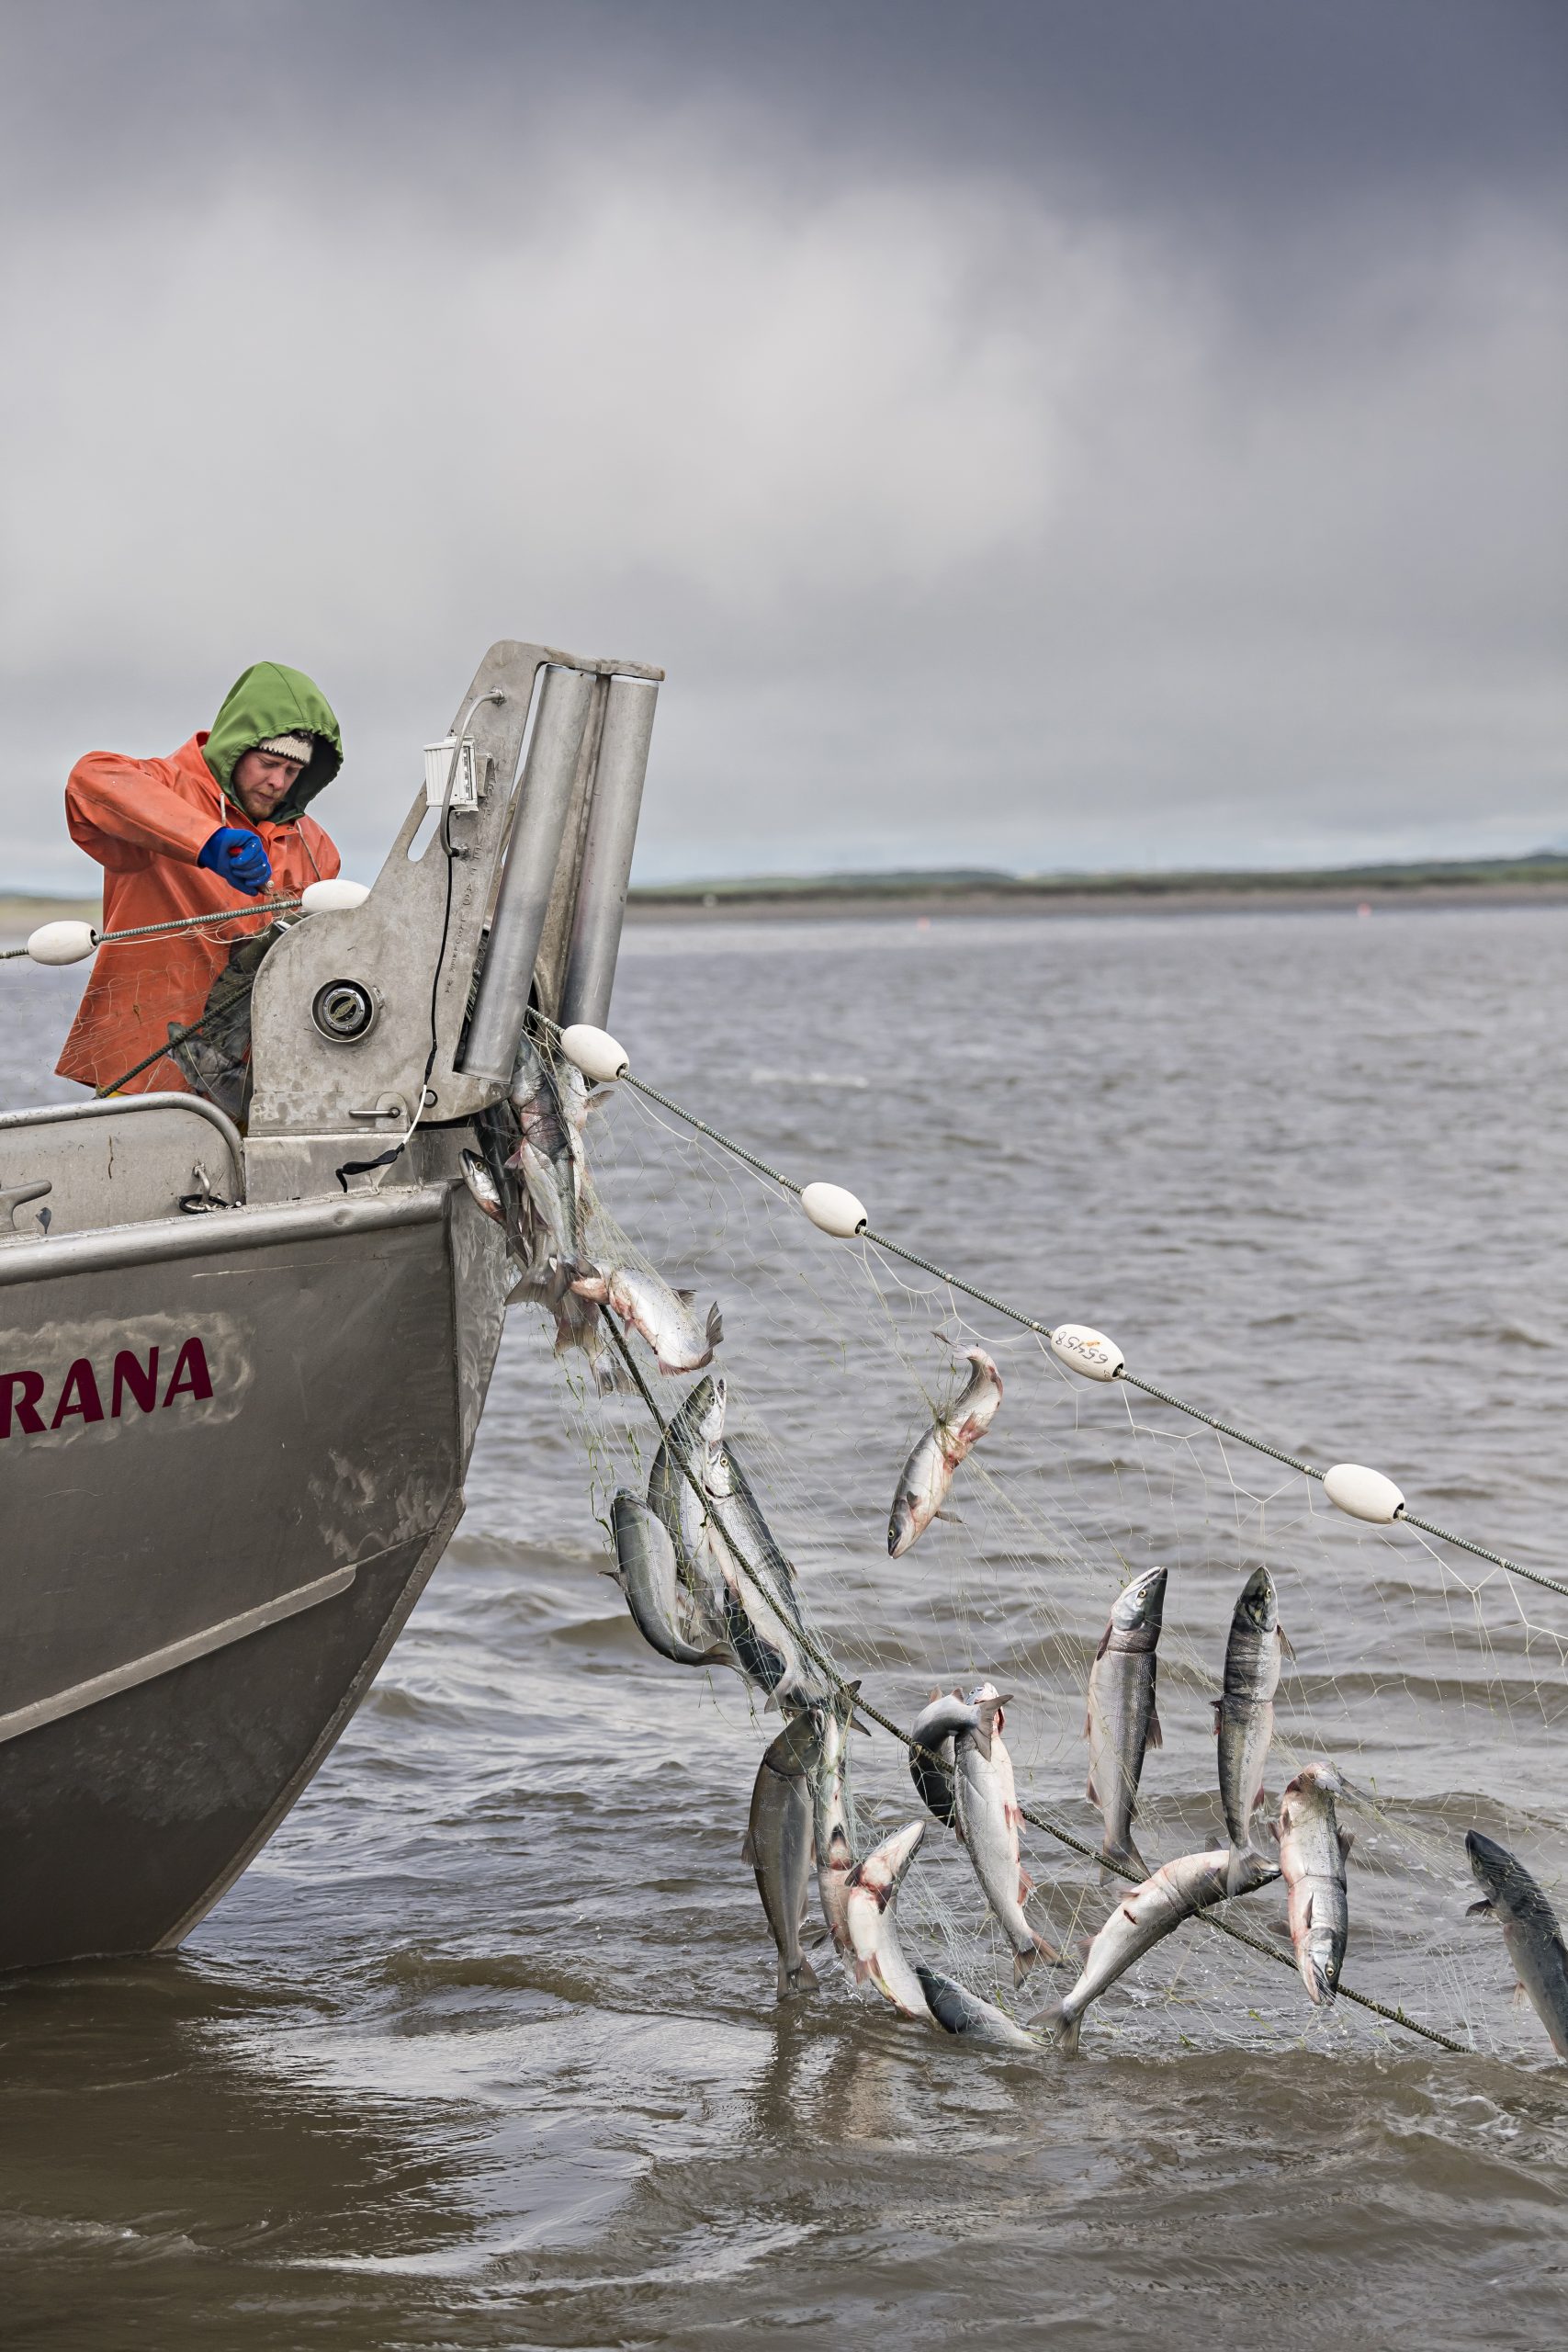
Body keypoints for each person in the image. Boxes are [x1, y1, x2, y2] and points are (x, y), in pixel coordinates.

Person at [57, 662, 344, 1096]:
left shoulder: (316, 846)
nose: (276, 782)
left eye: (293, 772)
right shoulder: (164, 788)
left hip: (256, 1088)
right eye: (268, 763)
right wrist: (206, 840)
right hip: (144, 1074)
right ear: (235, 747)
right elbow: (88, 779)